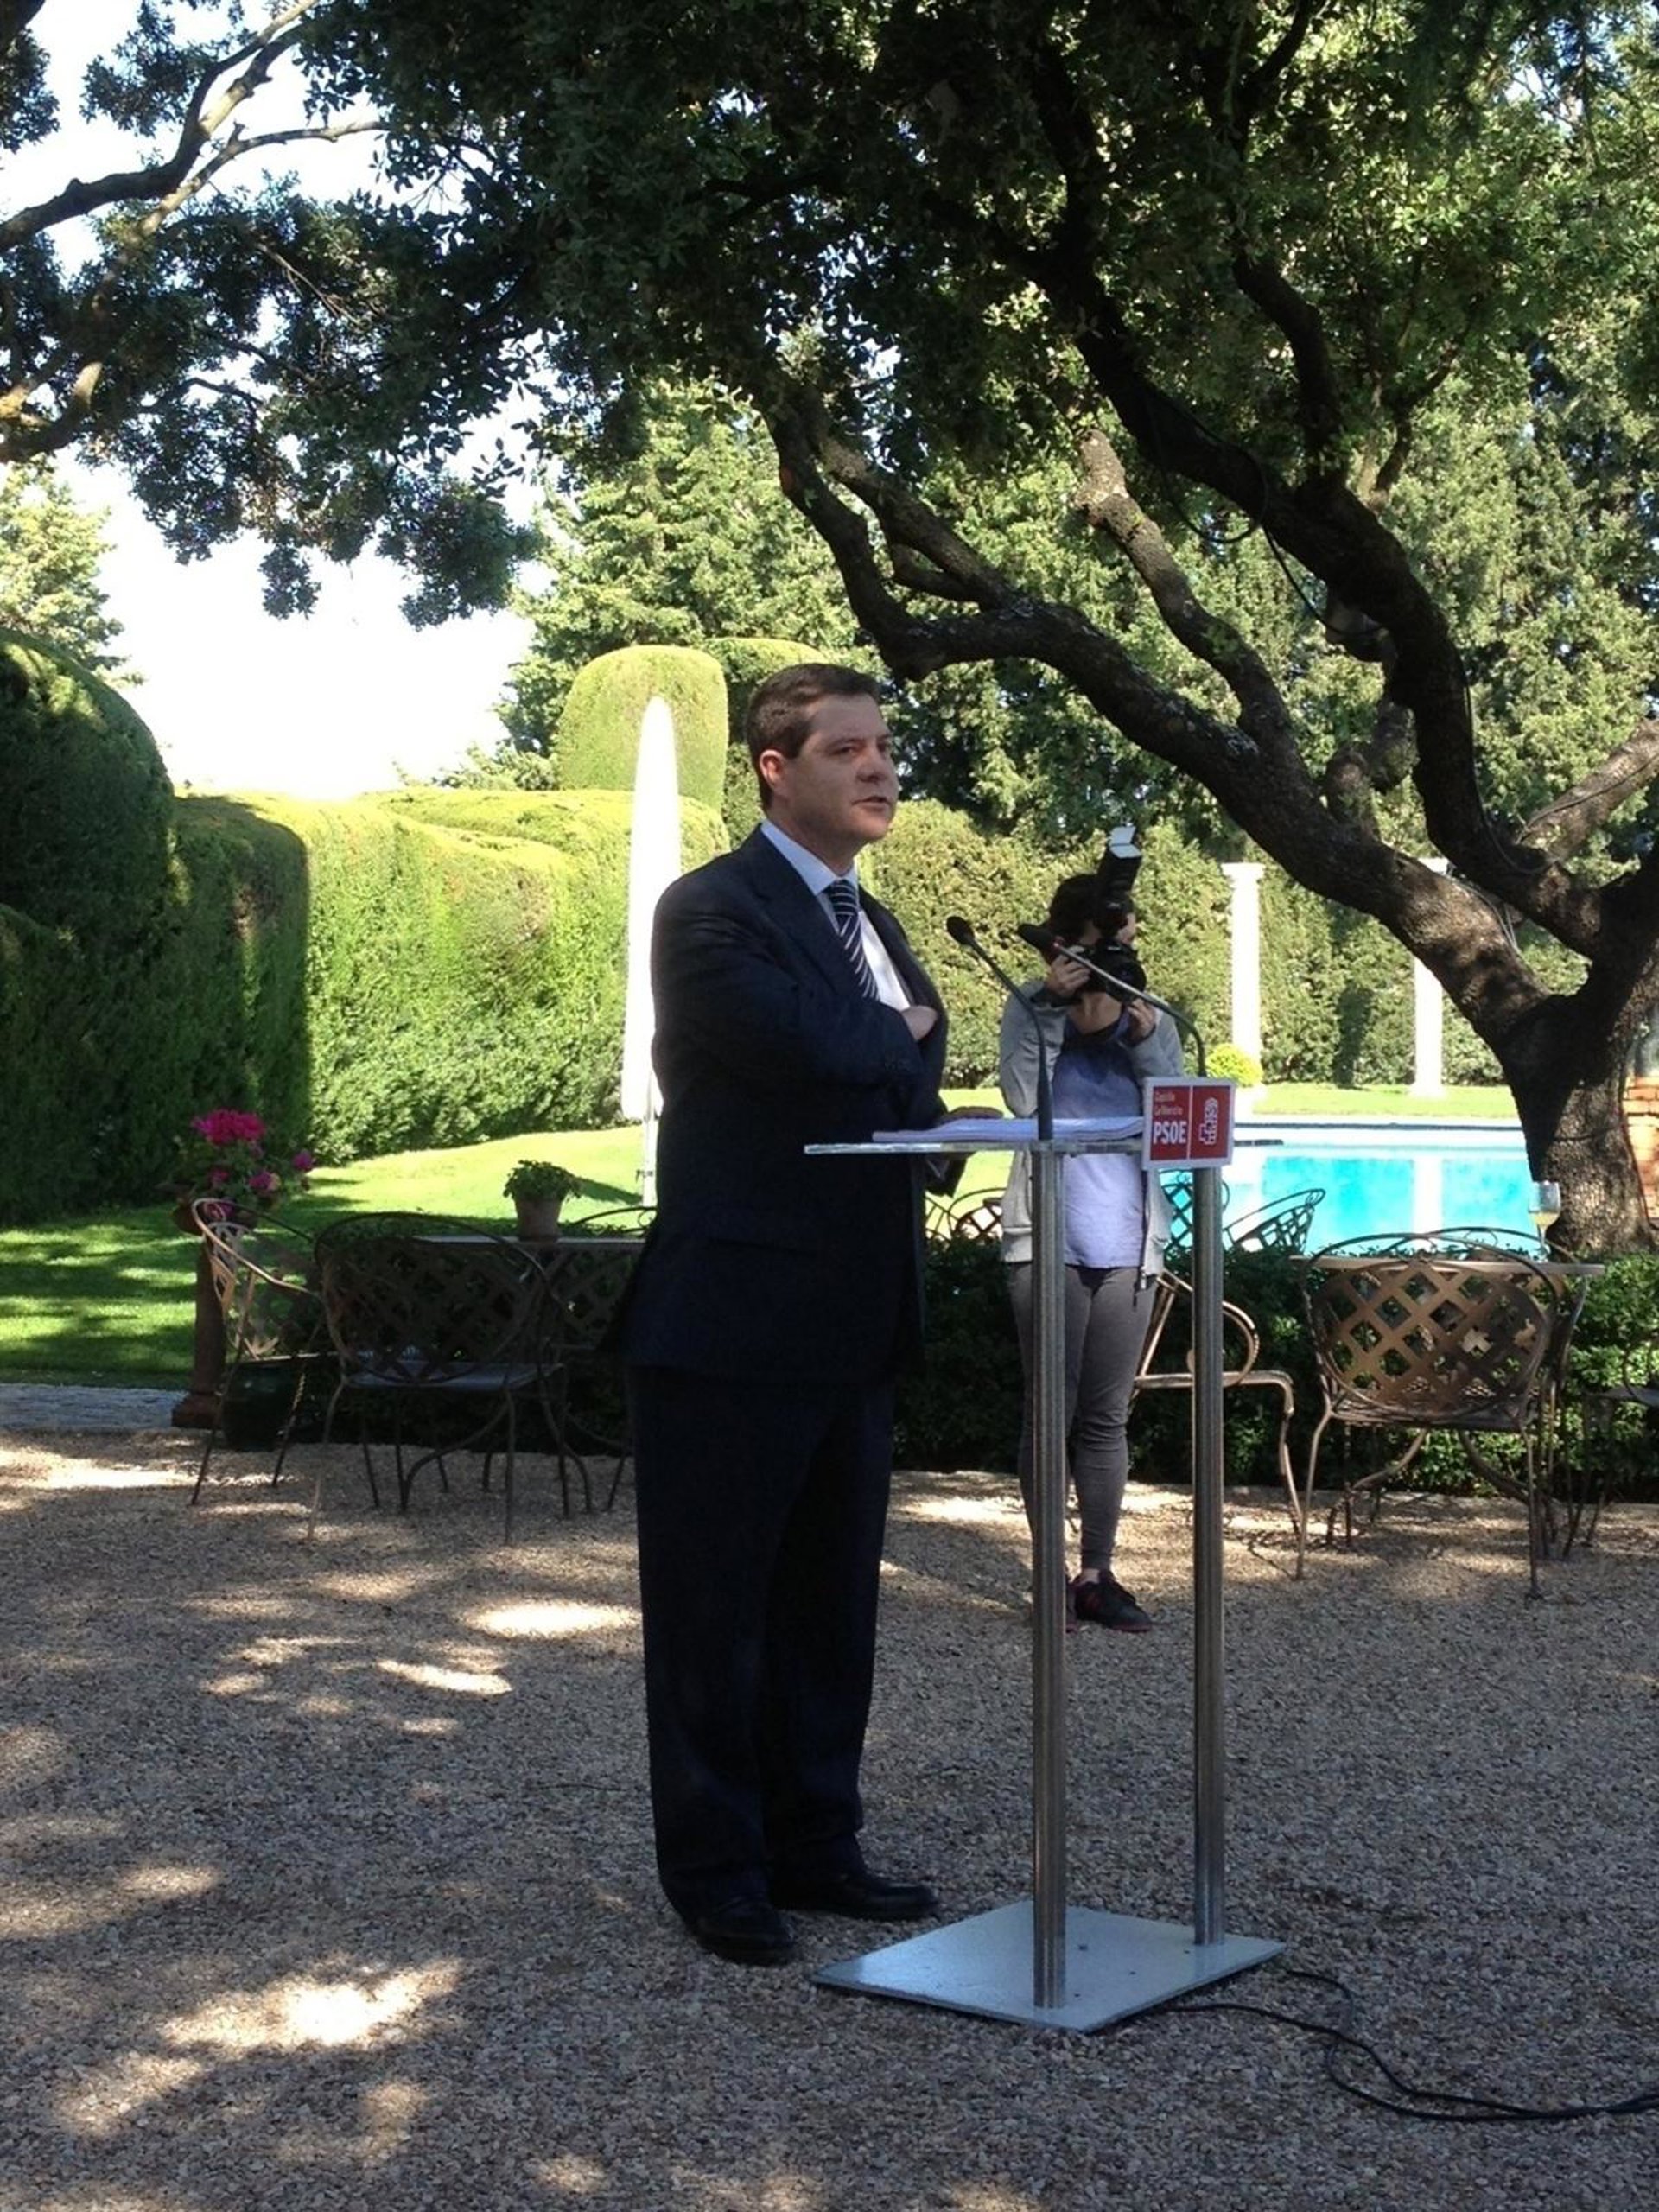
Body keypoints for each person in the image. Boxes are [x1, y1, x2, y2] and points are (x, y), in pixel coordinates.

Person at [618, 663, 955, 1967]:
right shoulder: (711, 908)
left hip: (854, 1324)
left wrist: (904, 1049)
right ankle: (719, 1873)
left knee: (829, 1613)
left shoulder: (877, 922)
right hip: (732, 1326)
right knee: (717, 1618)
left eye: (885, 749)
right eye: (847, 749)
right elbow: (811, 1044)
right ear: (775, 767)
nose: (879, 768)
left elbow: (903, 1073)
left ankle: (819, 1844)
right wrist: (898, 1033)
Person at [998, 876, 1183, 1630]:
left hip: (1128, 1238)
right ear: (1065, 944)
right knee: (1050, 1413)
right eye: (1107, 945)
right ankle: (1049, 1576)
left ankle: (1096, 1575)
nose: (1119, 958)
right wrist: (1050, 1008)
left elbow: (1176, 1111)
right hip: (1047, 1238)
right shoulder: (1027, 1006)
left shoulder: (1150, 1011)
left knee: (1106, 1417)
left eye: (1126, 945)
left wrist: (1146, 1041)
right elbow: (1021, 1099)